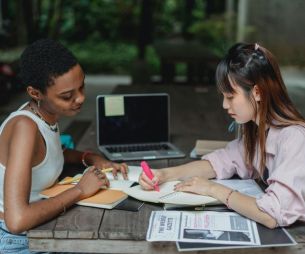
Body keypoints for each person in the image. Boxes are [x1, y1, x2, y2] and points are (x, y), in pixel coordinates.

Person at [139, 42, 305, 229]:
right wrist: (164, 174)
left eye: (231, 97)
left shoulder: (294, 139)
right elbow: (219, 162)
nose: (225, 105)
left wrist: (213, 189)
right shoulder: (258, 131)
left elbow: (271, 215)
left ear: (257, 92)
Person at [0, 39, 128, 253]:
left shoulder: (43, 114)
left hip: (39, 230)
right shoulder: (25, 127)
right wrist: (80, 190)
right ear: (35, 93)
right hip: (17, 239)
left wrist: (91, 157)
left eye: (82, 86)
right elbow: (17, 221)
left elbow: (49, 155)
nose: (80, 98)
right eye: (67, 96)